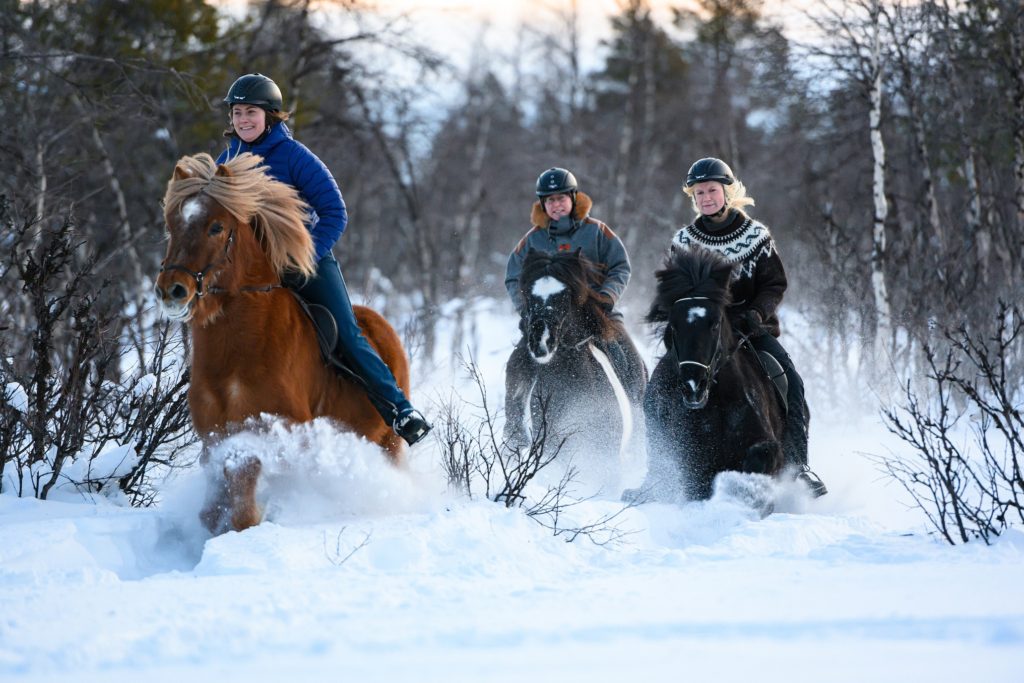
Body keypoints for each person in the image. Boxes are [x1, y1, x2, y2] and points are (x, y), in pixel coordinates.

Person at [217, 73, 431, 446]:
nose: (242, 120)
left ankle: (400, 410)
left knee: (346, 332)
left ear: (270, 115)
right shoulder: (227, 160)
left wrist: (302, 258)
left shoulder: (295, 157)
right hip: (247, 272)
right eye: (237, 112)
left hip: (305, 265)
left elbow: (335, 212)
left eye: (251, 112)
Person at [673, 157, 827, 496]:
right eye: (699, 193)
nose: (706, 197)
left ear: (728, 192)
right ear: (693, 198)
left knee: (790, 381)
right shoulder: (683, 240)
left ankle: (798, 466)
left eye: (712, 190)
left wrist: (756, 314)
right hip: (702, 334)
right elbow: (675, 288)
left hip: (749, 332)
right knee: (661, 384)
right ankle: (658, 469)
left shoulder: (756, 236)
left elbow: (774, 284)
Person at [503, 167, 634, 444]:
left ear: (574, 199)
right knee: (517, 360)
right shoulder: (532, 239)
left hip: (598, 313)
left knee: (628, 355)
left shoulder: (597, 231)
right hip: (546, 318)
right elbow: (513, 277)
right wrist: (527, 310)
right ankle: (514, 426)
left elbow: (621, 266)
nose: (556, 205)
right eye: (549, 200)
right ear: (542, 204)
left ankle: (639, 413)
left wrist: (608, 296)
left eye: (561, 198)